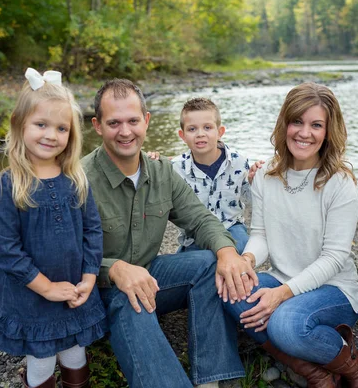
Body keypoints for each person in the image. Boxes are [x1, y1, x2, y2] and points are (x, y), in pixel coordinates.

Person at [81, 78, 257, 388]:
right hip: (98, 293)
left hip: (150, 277)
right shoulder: (79, 179)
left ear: (146, 121)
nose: (125, 131)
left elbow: (200, 219)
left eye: (133, 121)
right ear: (97, 125)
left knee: (208, 262)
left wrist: (227, 252)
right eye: (114, 123)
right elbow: (63, 255)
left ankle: (210, 380)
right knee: (130, 298)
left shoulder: (162, 172)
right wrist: (115, 268)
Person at [224, 82, 358, 388]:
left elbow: (335, 257)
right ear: (285, 123)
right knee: (231, 289)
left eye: (316, 125)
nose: (304, 133)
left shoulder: (339, 183)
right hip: (283, 277)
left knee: (286, 324)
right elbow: (260, 235)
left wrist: (282, 295)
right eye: (297, 121)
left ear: (328, 131)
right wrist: (246, 259)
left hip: (334, 289)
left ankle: (352, 363)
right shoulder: (267, 174)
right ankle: (313, 371)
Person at [0, 68, 107, 388]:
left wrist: (89, 277)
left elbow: (92, 231)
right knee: (40, 360)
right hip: (33, 301)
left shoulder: (76, 179)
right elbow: (7, 251)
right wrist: (47, 288)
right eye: (41, 124)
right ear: (20, 124)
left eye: (61, 128)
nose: (51, 135)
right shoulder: (10, 184)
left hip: (74, 292)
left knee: (74, 353)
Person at [172, 97, 250, 254]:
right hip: (194, 234)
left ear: (220, 132)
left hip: (231, 226)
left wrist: (257, 180)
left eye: (207, 127)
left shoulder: (238, 162)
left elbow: (252, 197)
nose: (200, 134)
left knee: (239, 247)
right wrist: (152, 160)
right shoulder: (175, 168)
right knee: (201, 259)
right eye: (192, 129)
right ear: (182, 135)